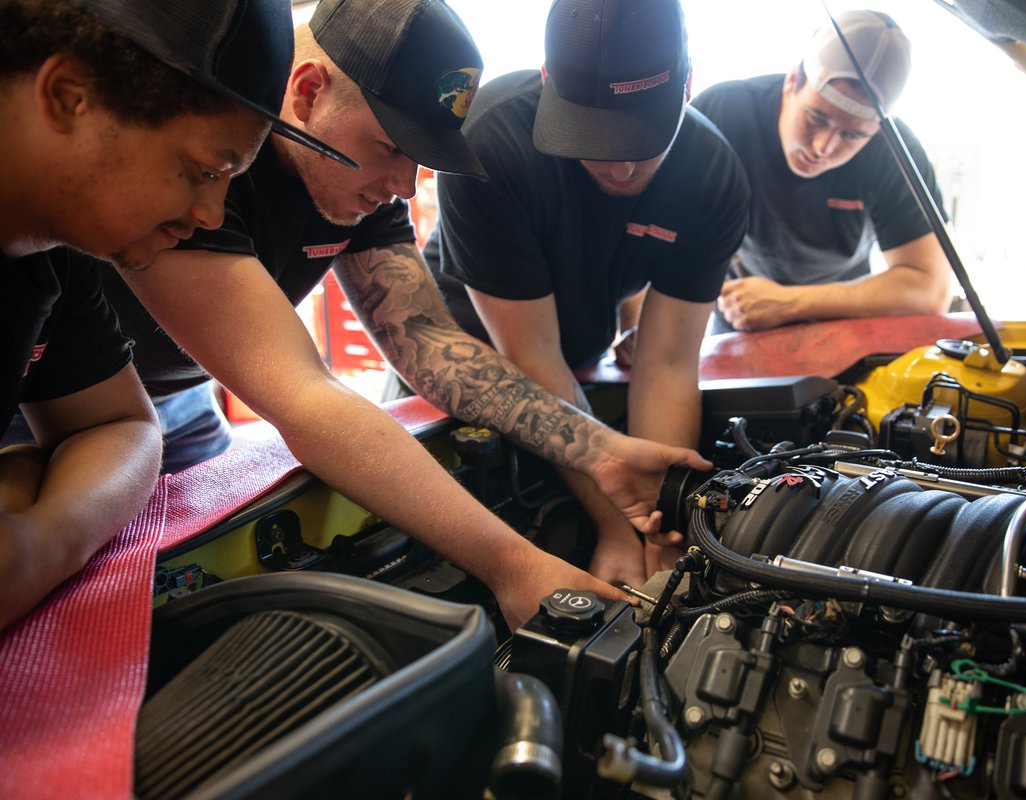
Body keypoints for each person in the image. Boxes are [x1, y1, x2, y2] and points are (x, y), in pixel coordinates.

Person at [99, 0, 711, 629]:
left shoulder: (360, 184)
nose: (404, 184)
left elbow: (430, 343)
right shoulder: (213, 164)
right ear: (308, 92)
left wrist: (601, 449)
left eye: (420, 158)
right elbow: (306, 396)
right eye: (391, 148)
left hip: (183, 402)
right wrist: (512, 565)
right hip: (63, 412)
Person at [0, 0, 344, 630]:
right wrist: (23, 475)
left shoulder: (48, 249)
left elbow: (119, 427)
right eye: (200, 171)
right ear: (68, 97)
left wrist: (39, 542)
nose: (213, 214)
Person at [428, 0, 751, 586]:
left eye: (644, 139)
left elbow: (668, 360)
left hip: (575, 365)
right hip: (460, 369)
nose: (622, 168)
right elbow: (529, 357)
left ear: (687, 86)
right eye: (595, 138)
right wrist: (612, 526)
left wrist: (658, 531)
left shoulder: (713, 177)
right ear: (550, 84)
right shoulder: (489, 144)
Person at [692, 9, 953, 333]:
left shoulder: (893, 151)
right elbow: (657, 225)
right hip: (738, 308)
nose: (823, 147)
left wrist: (789, 302)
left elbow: (932, 288)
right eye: (816, 117)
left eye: (852, 135)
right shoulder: (723, 112)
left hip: (841, 313)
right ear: (792, 82)